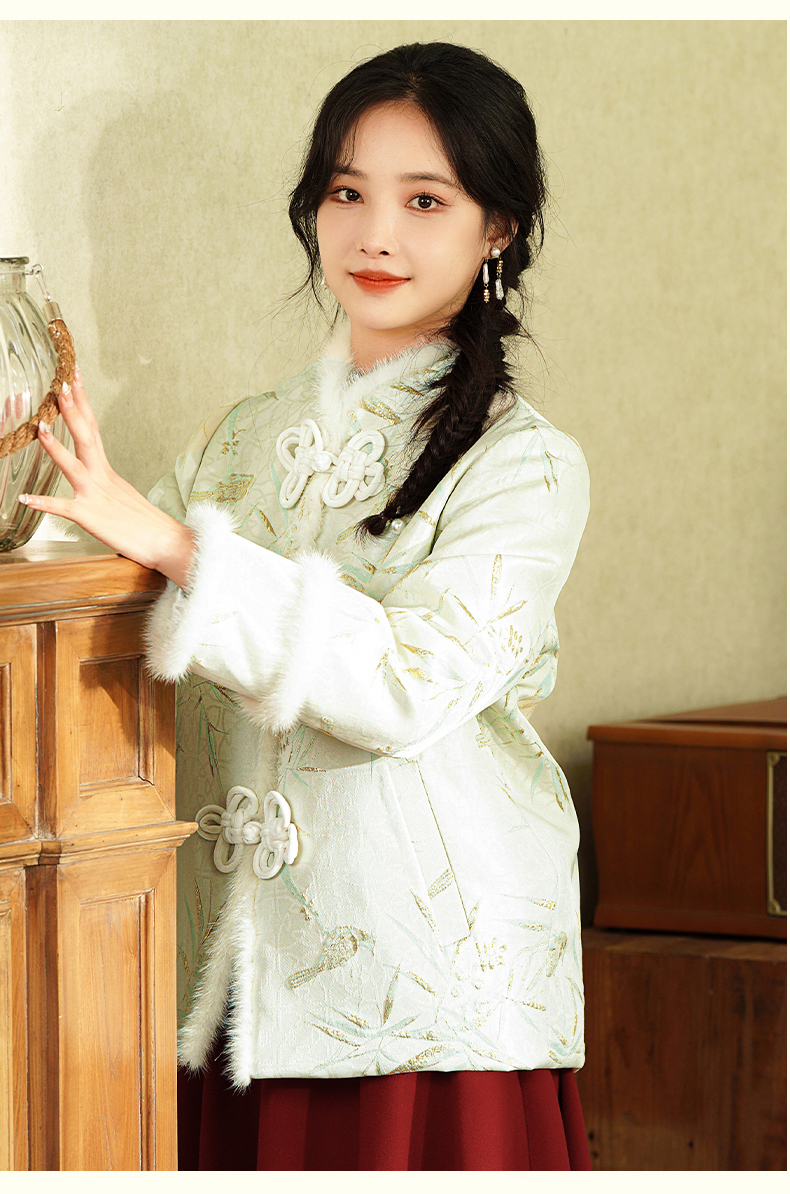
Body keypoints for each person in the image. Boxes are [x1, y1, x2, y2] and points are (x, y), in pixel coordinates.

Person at [22, 41, 591, 1171]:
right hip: (229, 977)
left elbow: (406, 687)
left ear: (497, 227)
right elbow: (105, 615)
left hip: (423, 985)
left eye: (423, 200)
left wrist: (181, 548)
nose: (374, 235)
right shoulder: (238, 439)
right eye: (346, 192)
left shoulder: (527, 465)